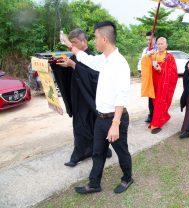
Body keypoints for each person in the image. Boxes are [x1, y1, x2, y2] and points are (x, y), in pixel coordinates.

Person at [61, 21, 133, 194]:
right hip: (101, 118)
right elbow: (87, 59)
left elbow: (121, 96)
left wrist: (115, 124)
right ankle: (94, 184)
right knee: (98, 152)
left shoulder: (120, 64)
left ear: (105, 39)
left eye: (96, 37)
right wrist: (69, 45)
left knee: (121, 151)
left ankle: (127, 178)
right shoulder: (104, 59)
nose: (94, 41)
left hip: (115, 119)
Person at [52, 28, 112, 167]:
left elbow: (94, 78)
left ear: (84, 41)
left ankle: (102, 150)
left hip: (91, 100)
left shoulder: (93, 57)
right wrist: (55, 65)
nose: (72, 46)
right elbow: (67, 71)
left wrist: (73, 65)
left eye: (74, 43)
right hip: (78, 99)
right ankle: (80, 153)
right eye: (70, 43)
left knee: (95, 127)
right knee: (80, 127)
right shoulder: (74, 57)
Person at [141, 37, 178, 134]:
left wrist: (161, 70)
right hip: (154, 84)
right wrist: (147, 55)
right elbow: (144, 62)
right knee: (155, 104)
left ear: (166, 45)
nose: (160, 45)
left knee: (160, 103)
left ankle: (156, 124)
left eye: (162, 44)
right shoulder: (154, 55)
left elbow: (173, 73)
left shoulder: (169, 57)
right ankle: (162, 117)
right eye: (158, 44)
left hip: (164, 85)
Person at [140, 32, 157, 123]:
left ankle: (157, 115)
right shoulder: (146, 50)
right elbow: (142, 60)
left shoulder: (159, 48)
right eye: (147, 40)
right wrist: (147, 55)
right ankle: (151, 115)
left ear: (154, 39)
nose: (148, 41)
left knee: (158, 98)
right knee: (150, 97)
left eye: (150, 39)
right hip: (149, 77)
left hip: (157, 76)